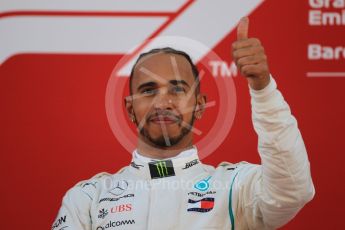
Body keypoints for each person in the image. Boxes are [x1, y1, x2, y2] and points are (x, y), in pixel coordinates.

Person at [52, 17, 315, 230]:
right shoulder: (88, 199)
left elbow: (292, 191)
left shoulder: (236, 188)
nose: (162, 102)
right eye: (148, 90)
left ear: (199, 105)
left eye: (177, 90)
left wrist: (262, 88)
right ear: (130, 109)